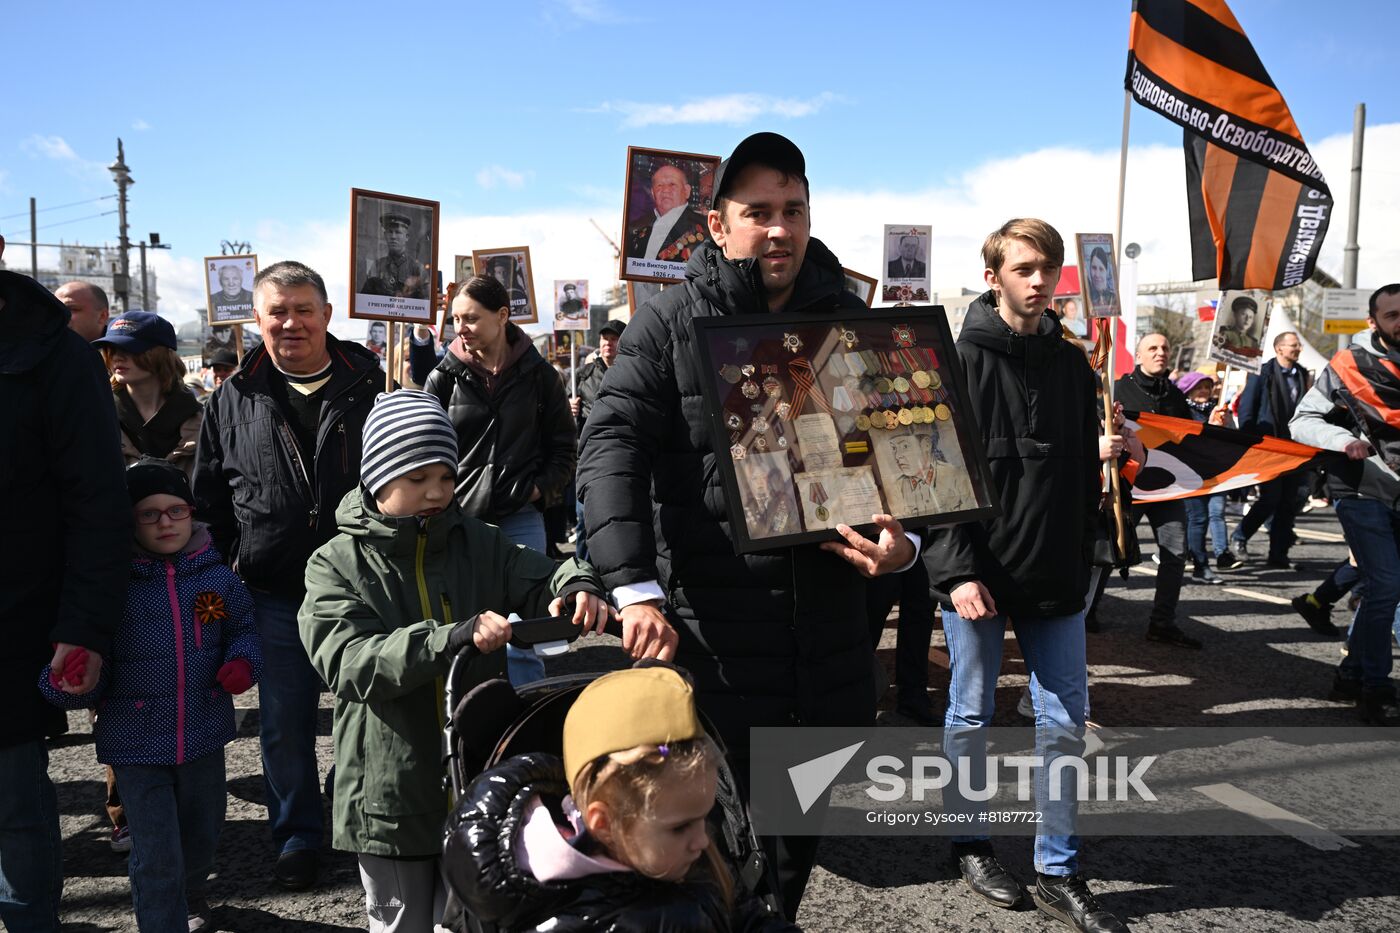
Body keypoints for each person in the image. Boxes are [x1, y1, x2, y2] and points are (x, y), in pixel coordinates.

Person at [578, 131, 919, 917]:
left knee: (793, 857)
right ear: (719, 224)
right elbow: (610, 447)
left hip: (828, 648)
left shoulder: (853, 322)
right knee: (707, 857)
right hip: (713, 647)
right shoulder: (665, 323)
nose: (778, 228)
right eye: (758, 211)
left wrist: (904, 546)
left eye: (792, 210)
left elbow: (902, 462)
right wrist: (631, 585)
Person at [298, 390, 608, 933]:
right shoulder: (335, 564)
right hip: (390, 790)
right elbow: (347, 660)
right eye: (416, 479)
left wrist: (576, 585)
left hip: (479, 777)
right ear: (376, 476)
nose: (437, 492)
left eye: (445, 475)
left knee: (479, 921)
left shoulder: (479, 542)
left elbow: (541, 575)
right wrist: (448, 639)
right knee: (402, 925)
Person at [921, 218, 1128, 933]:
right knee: (971, 713)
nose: (1039, 280)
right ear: (994, 276)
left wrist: (1110, 456)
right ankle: (970, 844)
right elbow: (932, 475)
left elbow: (1075, 479)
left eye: (1048, 268)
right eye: (1024, 268)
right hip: (976, 569)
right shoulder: (958, 357)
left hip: (1054, 570)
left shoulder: (1074, 363)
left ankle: (1058, 869)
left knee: (1065, 720)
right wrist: (952, 571)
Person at [193, 260, 384, 890]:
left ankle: (357, 819)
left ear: (328, 314)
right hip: (273, 594)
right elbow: (212, 505)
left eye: (304, 309)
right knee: (283, 723)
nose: (291, 323)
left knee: (369, 712)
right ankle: (298, 834)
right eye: (277, 311)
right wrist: (212, 586)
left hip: (363, 591)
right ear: (257, 319)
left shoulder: (375, 387)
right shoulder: (231, 398)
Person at [39, 459, 261, 933]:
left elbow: (245, 632)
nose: (165, 523)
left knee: (201, 838)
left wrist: (244, 664)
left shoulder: (218, 580)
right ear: (127, 520)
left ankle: (193, 895)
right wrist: (72, 682)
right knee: (157, 853)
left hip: (203, 737)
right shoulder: (108, 592)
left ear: (192, 513)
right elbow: (81, 669)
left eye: (175, 510)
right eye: (149, 513)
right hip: (136, 748)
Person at [445, 665, 797, 932]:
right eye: (681, 828)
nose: (703, 840)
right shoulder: (561, 917)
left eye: (704, 818)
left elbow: (743, 915)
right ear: (604, 823)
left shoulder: (685, 859)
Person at [1, 237, 130, 932]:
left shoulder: (54, 354)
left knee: (16, 813)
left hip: (14, 623)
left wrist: (83, 625)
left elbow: (97, 502)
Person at [423, 275, 577, 685]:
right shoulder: (442, 377)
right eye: (456, 319)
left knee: (521, 620)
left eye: (471, 318)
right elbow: (426, 447)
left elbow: (564, 446)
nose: (461, 328)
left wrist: (539, 488)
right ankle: (471, 714)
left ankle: (527, 713)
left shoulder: (541, 375)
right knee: (465, 620)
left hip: (519, 513)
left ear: (503, 316)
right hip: (457, 517)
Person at [1289, 283, 1400, 725]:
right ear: (1374, 322)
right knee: (1387, 585)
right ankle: (1376, 688)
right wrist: (1344, 440)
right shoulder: (1349, 365)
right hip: (1361, 489)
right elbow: (1302, 420)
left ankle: (1351, 672)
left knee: (1383, 590)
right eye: (1392, 314)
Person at [1115, 333, 1202, 648]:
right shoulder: (1119, 390)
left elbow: (1191, 437)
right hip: (1129, 487)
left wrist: (1213, 425)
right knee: (1111, 549)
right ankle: (1088, 612)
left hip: (1167, 489)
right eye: (1152, 348)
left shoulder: (1175, 395)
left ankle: (1162, 623)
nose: (1161, 352)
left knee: (1175, 554)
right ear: (1138, 356)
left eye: (1165, 347)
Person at [1232, 331, 1311, 567]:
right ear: (1279, 349)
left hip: (1295, 449)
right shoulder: (1261, 373)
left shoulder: (1303, 374)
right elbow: (1247, 410)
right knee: (1270, 498)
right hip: (1268, 447)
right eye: (1293, 345)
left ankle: (1278, 554)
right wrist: (1250, 444)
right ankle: (1240, 536)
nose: (1298, 349)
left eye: (1298, 345)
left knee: (1290, 500)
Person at [94, 310, 203, 477]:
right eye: (112, 349)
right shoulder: (98, 416)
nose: (117, 357)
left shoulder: (202, 418)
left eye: (129, 348)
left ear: (159, 354)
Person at [569, 320, 625, 563]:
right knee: (585, 519)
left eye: (613, 338)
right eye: (604, 338)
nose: (607, 343)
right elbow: (560, 415)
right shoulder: (583, 374)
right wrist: (567, 407)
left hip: (622, 452)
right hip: (589, 454)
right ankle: (582, 574)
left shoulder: (632, 370)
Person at [1175, 371, 1231, 583]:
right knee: (1198, 518)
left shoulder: (1219, 410)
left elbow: (1234, 438)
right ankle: (1201, 564)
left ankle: (1213, 552)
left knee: (1215, 513)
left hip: (1217, 472)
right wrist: (1209, 426)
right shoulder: (1183, 411)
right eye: (1199, 387)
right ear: (1188, 389)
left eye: (1207, 387)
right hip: (1191, 472)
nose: (1204, 392)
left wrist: (1223, 424)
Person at [626, 162, 708, 264]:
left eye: (672, 184)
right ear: (653, 193)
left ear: (686, 191)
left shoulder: (705, 227)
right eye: (659, 185)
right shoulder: (637, 230)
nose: (665, 190)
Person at [887, 423, 973, 515]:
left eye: (905, 446)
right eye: (894, 448)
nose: (897, 456)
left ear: (926, 445)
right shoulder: (896, 489)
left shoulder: (956, 476)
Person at [362, 212, 426, 299]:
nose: (393, 236)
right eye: (390, 232)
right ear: (385, 235)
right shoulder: (377, 266)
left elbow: (425, 303)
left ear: (406, 237)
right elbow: (365, 300)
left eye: (398, 232)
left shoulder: (417, 268)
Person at [1085, 247, 1116, 312]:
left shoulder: (1113, 299)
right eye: (1094, 268)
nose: (1097, 274)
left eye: (1101, 269)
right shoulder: (1087, 298)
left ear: (1106, 272)